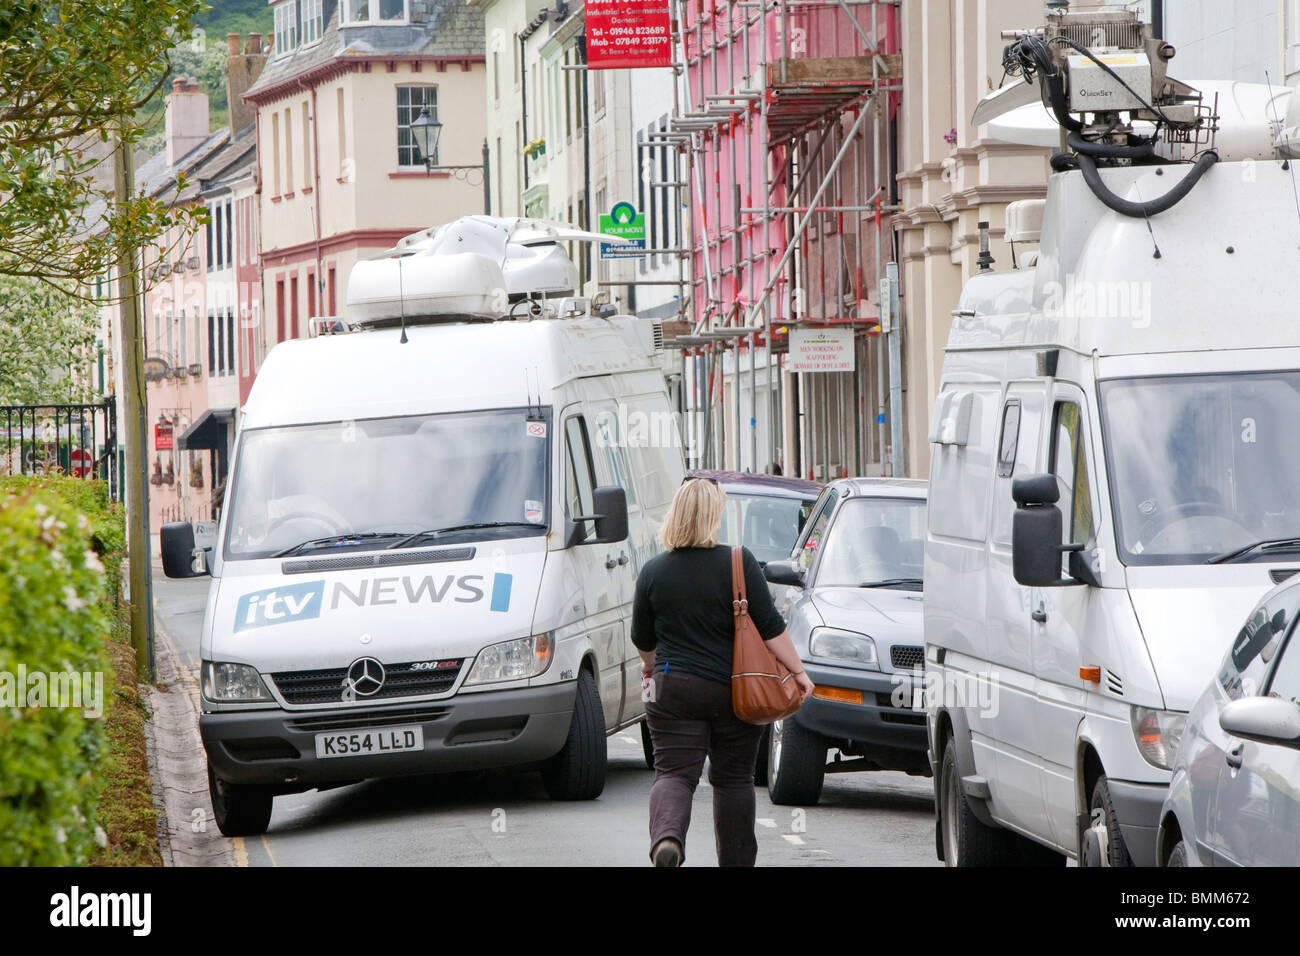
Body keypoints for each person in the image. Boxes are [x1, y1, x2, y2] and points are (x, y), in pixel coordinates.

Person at [631, 477, 814, 867]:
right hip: (733, 692)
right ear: (715, 516)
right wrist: (798, 672)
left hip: (673, 688)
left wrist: (650, 668)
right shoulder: (738, 561)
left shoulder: (653, 572)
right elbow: (769, 628)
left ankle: (667, 839)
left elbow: (642, 638)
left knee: (674, 775)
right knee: (733, 779)